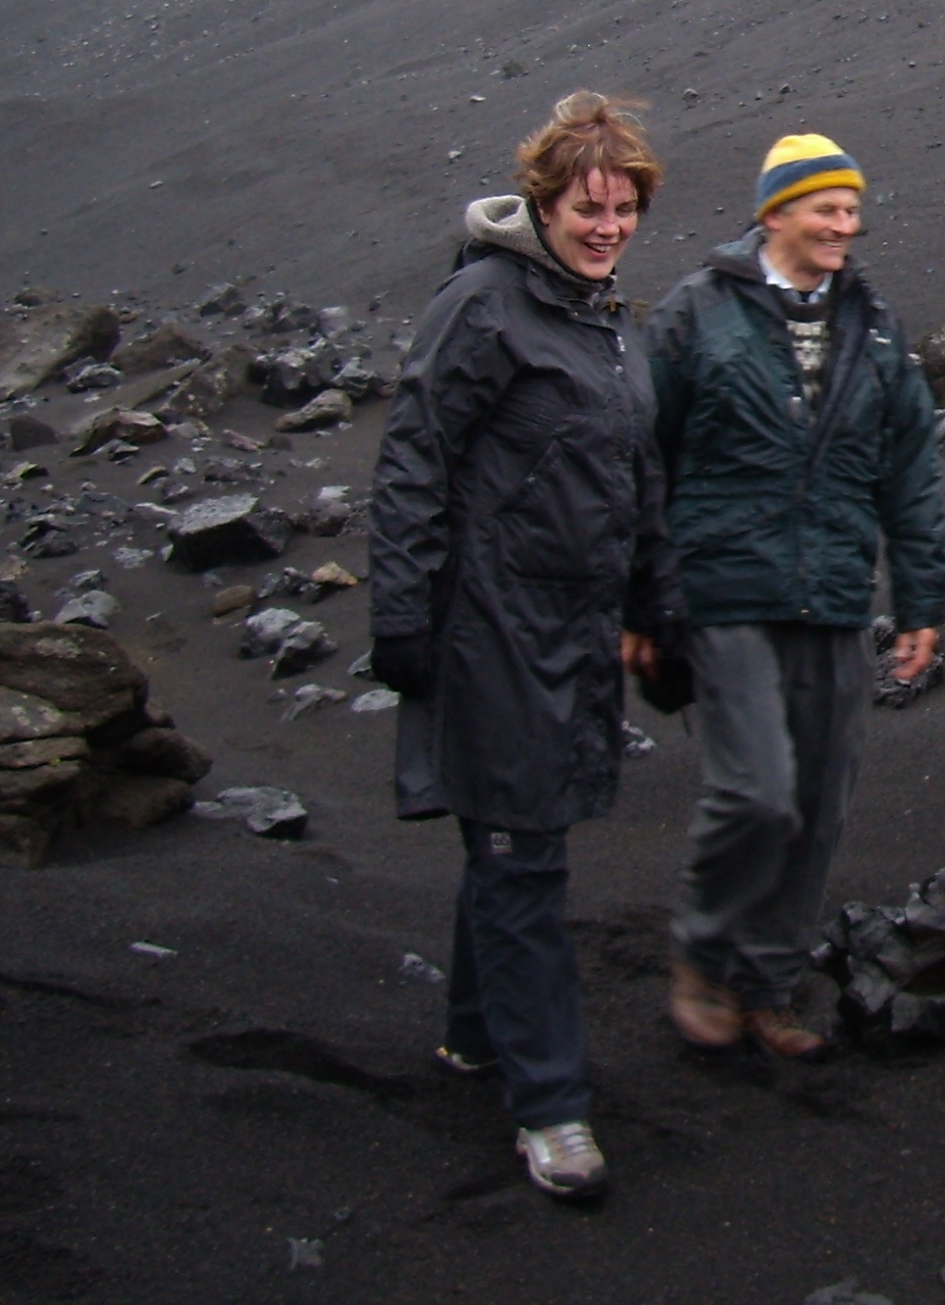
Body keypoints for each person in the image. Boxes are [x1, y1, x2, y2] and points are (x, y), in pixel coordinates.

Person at [366, 92, 680, 1201]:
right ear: (541, 202)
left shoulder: (602, 316)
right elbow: (414, 457)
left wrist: (658, 607)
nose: (605, 226)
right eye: (586, 207)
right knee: (523, 855)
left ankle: (472, 1036)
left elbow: (638, 477)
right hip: (486, 625)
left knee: (512, 840)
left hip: (574, 627)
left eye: (624, 208)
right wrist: (399, 612)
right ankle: (550, 1109)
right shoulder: (485, 306)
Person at [643, 133, 945, 1060]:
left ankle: (768, 984)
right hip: (724, 588)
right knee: (758, 793)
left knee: (819, 802)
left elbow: (910, 473)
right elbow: (639, 460)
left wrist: (923, 601)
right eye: (825, 208)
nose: (844, 226)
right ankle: (702, 952)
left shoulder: (876, 324)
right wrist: (638, 602)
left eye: (852, 210)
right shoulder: (695, 313)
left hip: (834, 593)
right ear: (775, 213)